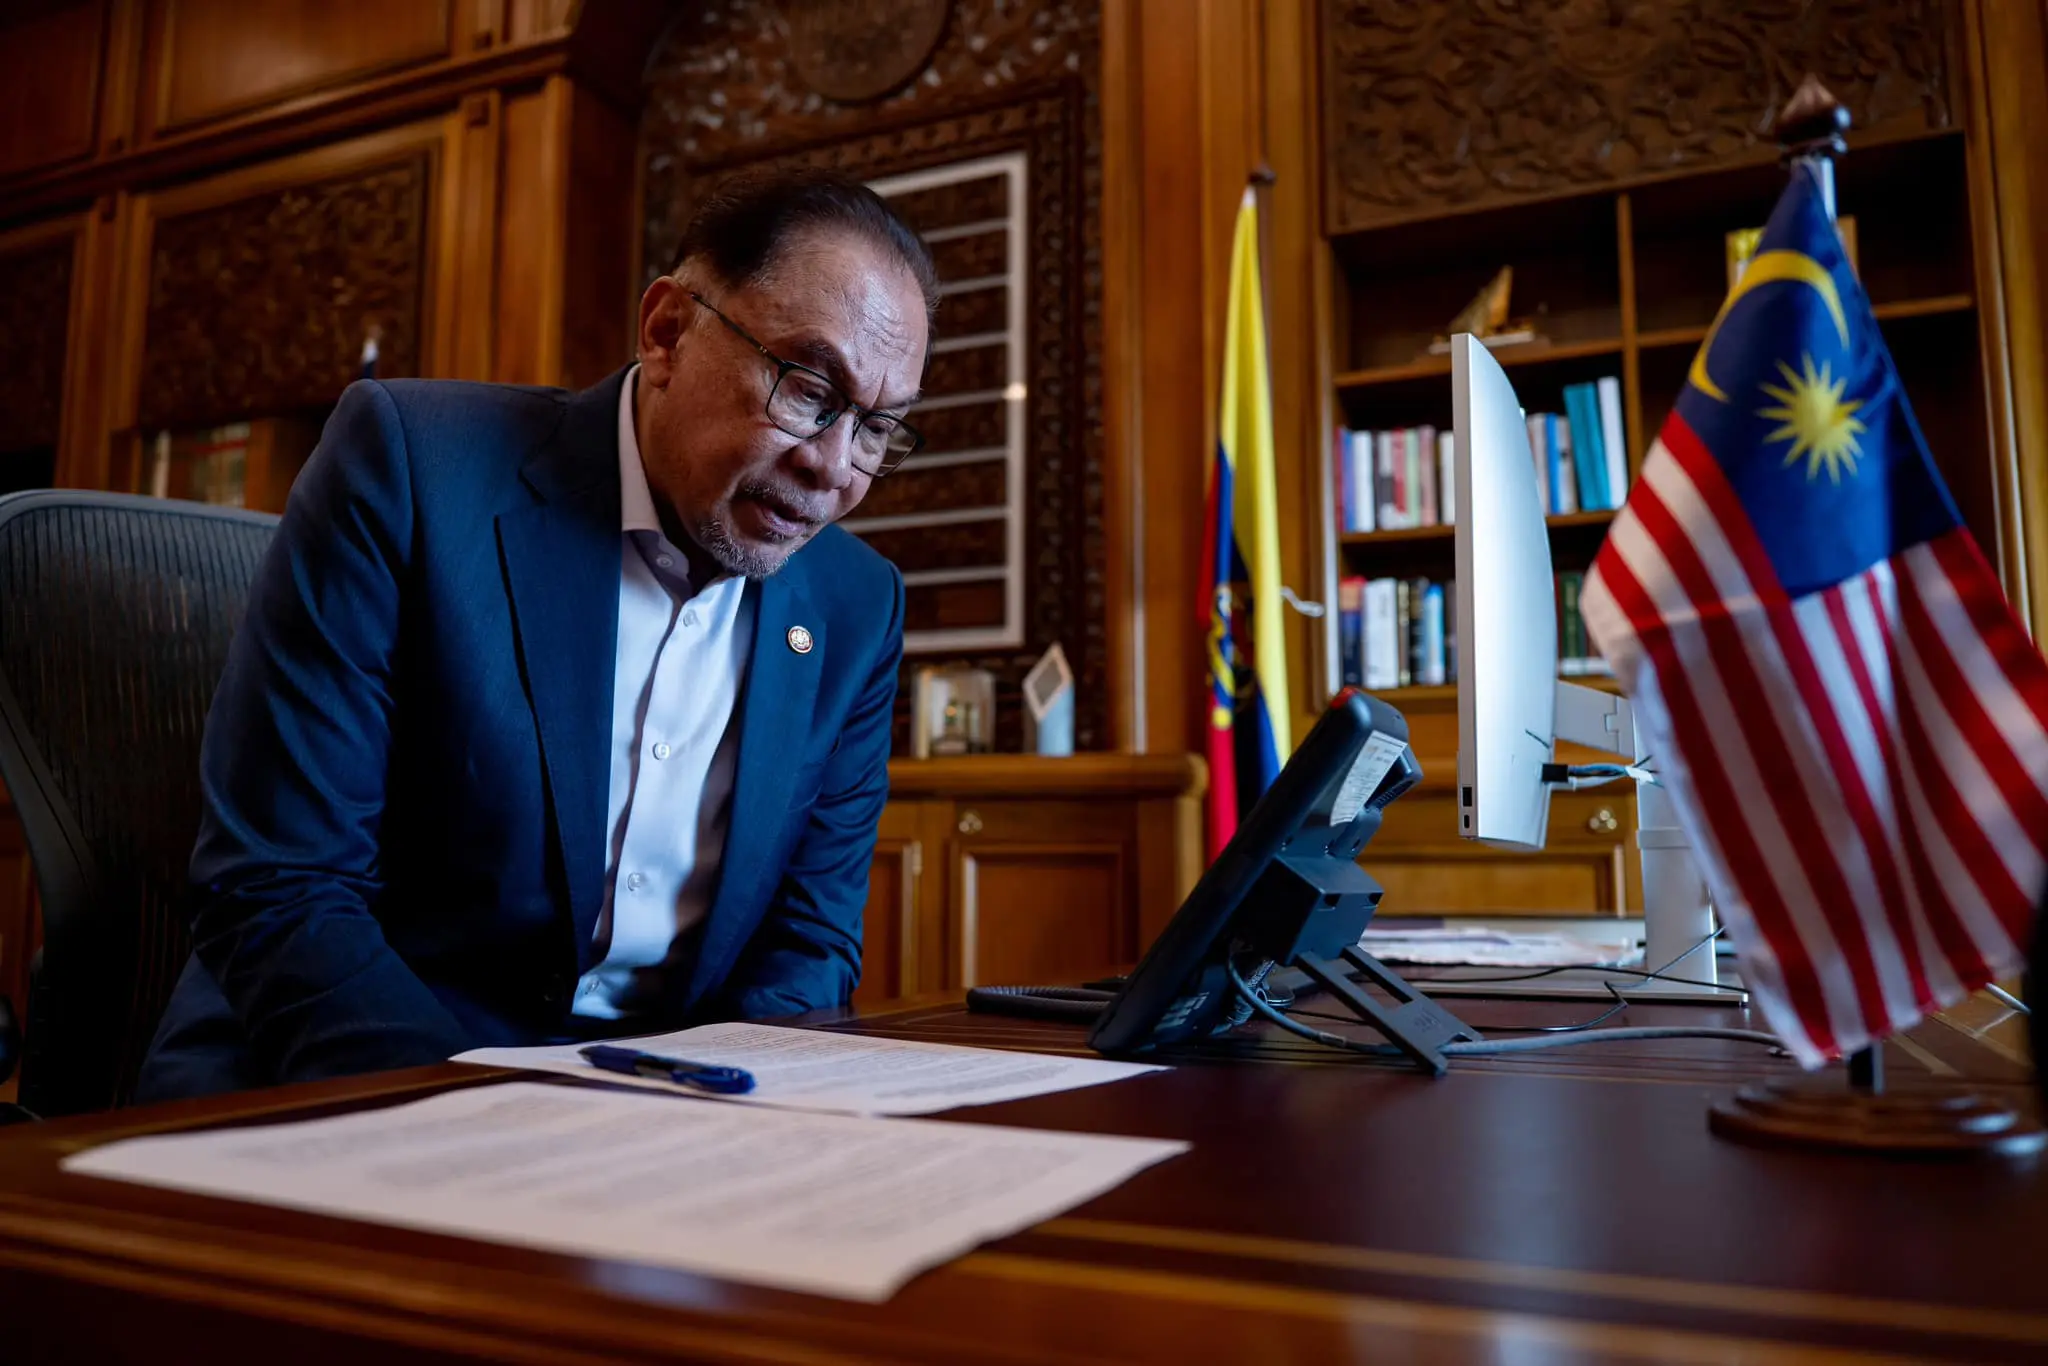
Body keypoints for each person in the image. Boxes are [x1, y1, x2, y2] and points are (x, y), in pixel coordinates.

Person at [137, 169, 935, 1100]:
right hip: (345, 1082)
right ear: (669, 331)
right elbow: (281, 885)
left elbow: (809, 940)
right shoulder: (411, 466)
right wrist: (486, 1124)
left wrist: (732, 1116)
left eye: (878, 427)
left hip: (659, 1125)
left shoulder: (856, 604)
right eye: (807, 390)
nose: (833, 467)